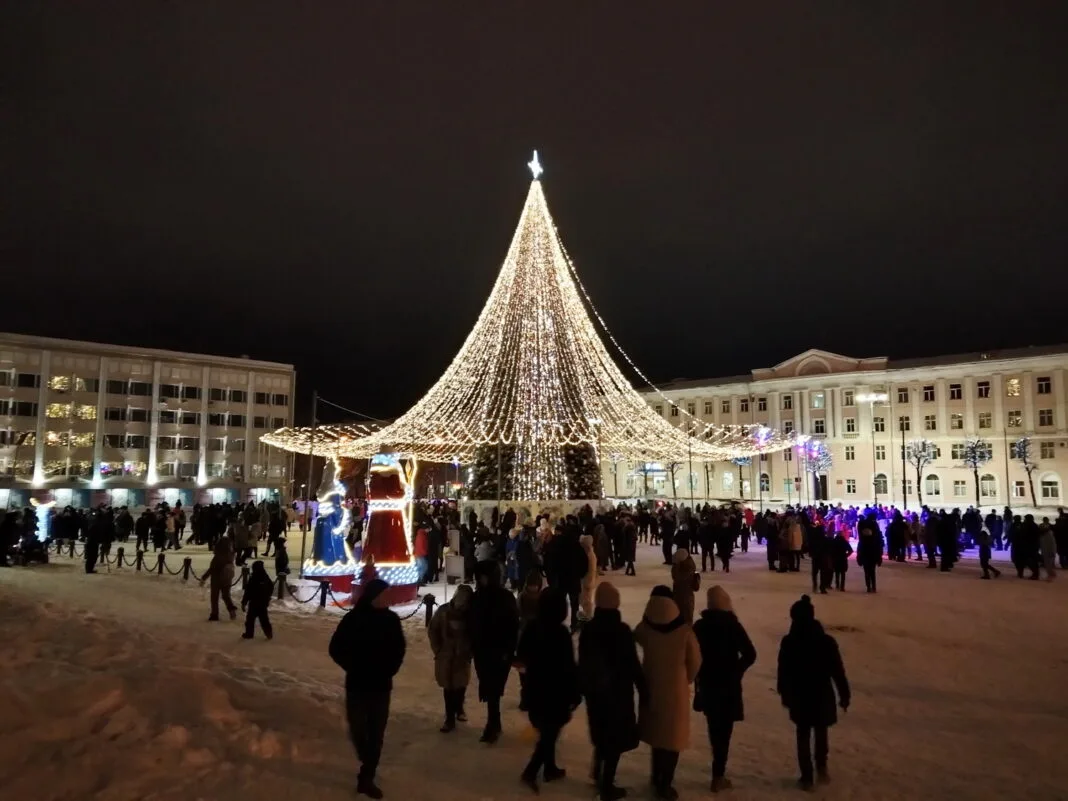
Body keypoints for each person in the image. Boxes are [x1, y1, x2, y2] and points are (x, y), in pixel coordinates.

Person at [329, 579, 406, 799]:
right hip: (357, 684)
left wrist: (390, 669)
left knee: (376, 732)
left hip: (381, 686)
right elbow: (335, 648)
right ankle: (367, 758)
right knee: (358, 729)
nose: (388, 598)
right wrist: (352, 666)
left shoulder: (391, 620)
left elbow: (399, 649)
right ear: (374, 596)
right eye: (385, 594)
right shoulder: (353, 619)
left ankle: (367, 776)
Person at [777, 595, 851, 792]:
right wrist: (844, 694)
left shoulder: (790, 642)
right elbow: (837, 670)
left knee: (802, 734)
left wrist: (784, 693)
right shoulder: (826, 641)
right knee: (821, 732)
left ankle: (807, 776)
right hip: (821, 694)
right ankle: (821, 766)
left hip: (799, 696)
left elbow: (783, 671)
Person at [634, 586, 701, 800]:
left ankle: (655, 777)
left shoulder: (646, 628)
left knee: (657, 736)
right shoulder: (684, 631)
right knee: (672, 741)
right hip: (676, 692)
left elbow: (637, 635)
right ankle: (665, 784)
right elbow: (696, 661)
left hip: (651, 687)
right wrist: (686, 678)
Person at [579, 582, 644, 801]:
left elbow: (584, 664)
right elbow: (633, 665)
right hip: (618, 695)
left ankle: (598, 771)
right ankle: (606, 785)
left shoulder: (589, 630)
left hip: (596, 694)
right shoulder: (622, 631)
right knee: (615, 740)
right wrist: (644, 688)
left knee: (602, 735)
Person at [516, 586, 582, 793]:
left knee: (547, 730)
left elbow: (522, 655)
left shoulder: (532, 627)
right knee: (549, 734)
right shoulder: (560, 632)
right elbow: (568, 666)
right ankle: (531, 771)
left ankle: (550, 768)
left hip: (536, 688)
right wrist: (574, 692)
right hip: (555, 691)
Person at [692, 586, 756, 792]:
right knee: (725, 732)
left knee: (714, 728)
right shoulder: (732, 625)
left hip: (708, 684)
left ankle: (717, 773)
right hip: (728, 686)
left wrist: (698, 674)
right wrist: (737, 670)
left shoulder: (700, 627)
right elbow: (750, 653)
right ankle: (718, 774)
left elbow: (692, 656)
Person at [469, 561, 519, 743]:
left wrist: (509, 649)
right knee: (490, 687)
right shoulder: (478, 597)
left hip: (498, 651)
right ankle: (494, 722)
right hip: (483, 650)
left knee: (494, 687)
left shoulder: (503, 598)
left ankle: (492, 724)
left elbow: (513, 626)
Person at [428, 583, 474, 732]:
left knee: (460, 684)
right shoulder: (443, 612)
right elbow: (433, 630)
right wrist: (438, 649)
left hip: (462, 655)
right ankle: (449, 718)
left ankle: (459, 708)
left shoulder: (470, 615)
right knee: (448, 687)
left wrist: (469, 650)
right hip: (446, 655)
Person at [201, 535, 238, 621]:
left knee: (214, 597)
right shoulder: (231, 555)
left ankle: (214, 614)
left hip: (217, 579)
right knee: (226, 595)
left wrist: (204, 577)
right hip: (227, 578)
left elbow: (212, 569)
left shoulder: (218, 556)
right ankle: (231, 609)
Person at [240, 560, 274, 639]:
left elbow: (248, 591)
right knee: (264, 619)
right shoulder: (265, 577)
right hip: (263, 603)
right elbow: (271, 587)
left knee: (250, 619)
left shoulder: (253, 578)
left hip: (254, 603)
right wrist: (267, 598)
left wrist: (244, 602)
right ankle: (268, 632)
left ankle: (249, 633)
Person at [670, 548, 698, 626]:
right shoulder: (687, 565)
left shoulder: (688, 569)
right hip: (682, 596)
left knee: (685, 620)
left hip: (685, 597)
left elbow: (677, 577)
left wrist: (676, 566)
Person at [856, 517, 882, 593]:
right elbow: (878, 549)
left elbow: (859, 550)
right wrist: (879, 558)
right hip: (872, 556)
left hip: (865, 557)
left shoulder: (862, 541)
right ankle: (873, 586)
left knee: (866, 572)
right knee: (872, 571)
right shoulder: (874, 541)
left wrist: (859, 558)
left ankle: (868, 586)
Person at [579, 533, 598, 621]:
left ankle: (588, 616)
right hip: (588, 580)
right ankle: (587, 614)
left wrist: (588, 582)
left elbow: (591, 570)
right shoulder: (589, 553)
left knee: (586, 600)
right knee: (585, 599)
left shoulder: (589, 555)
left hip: (587, 581)